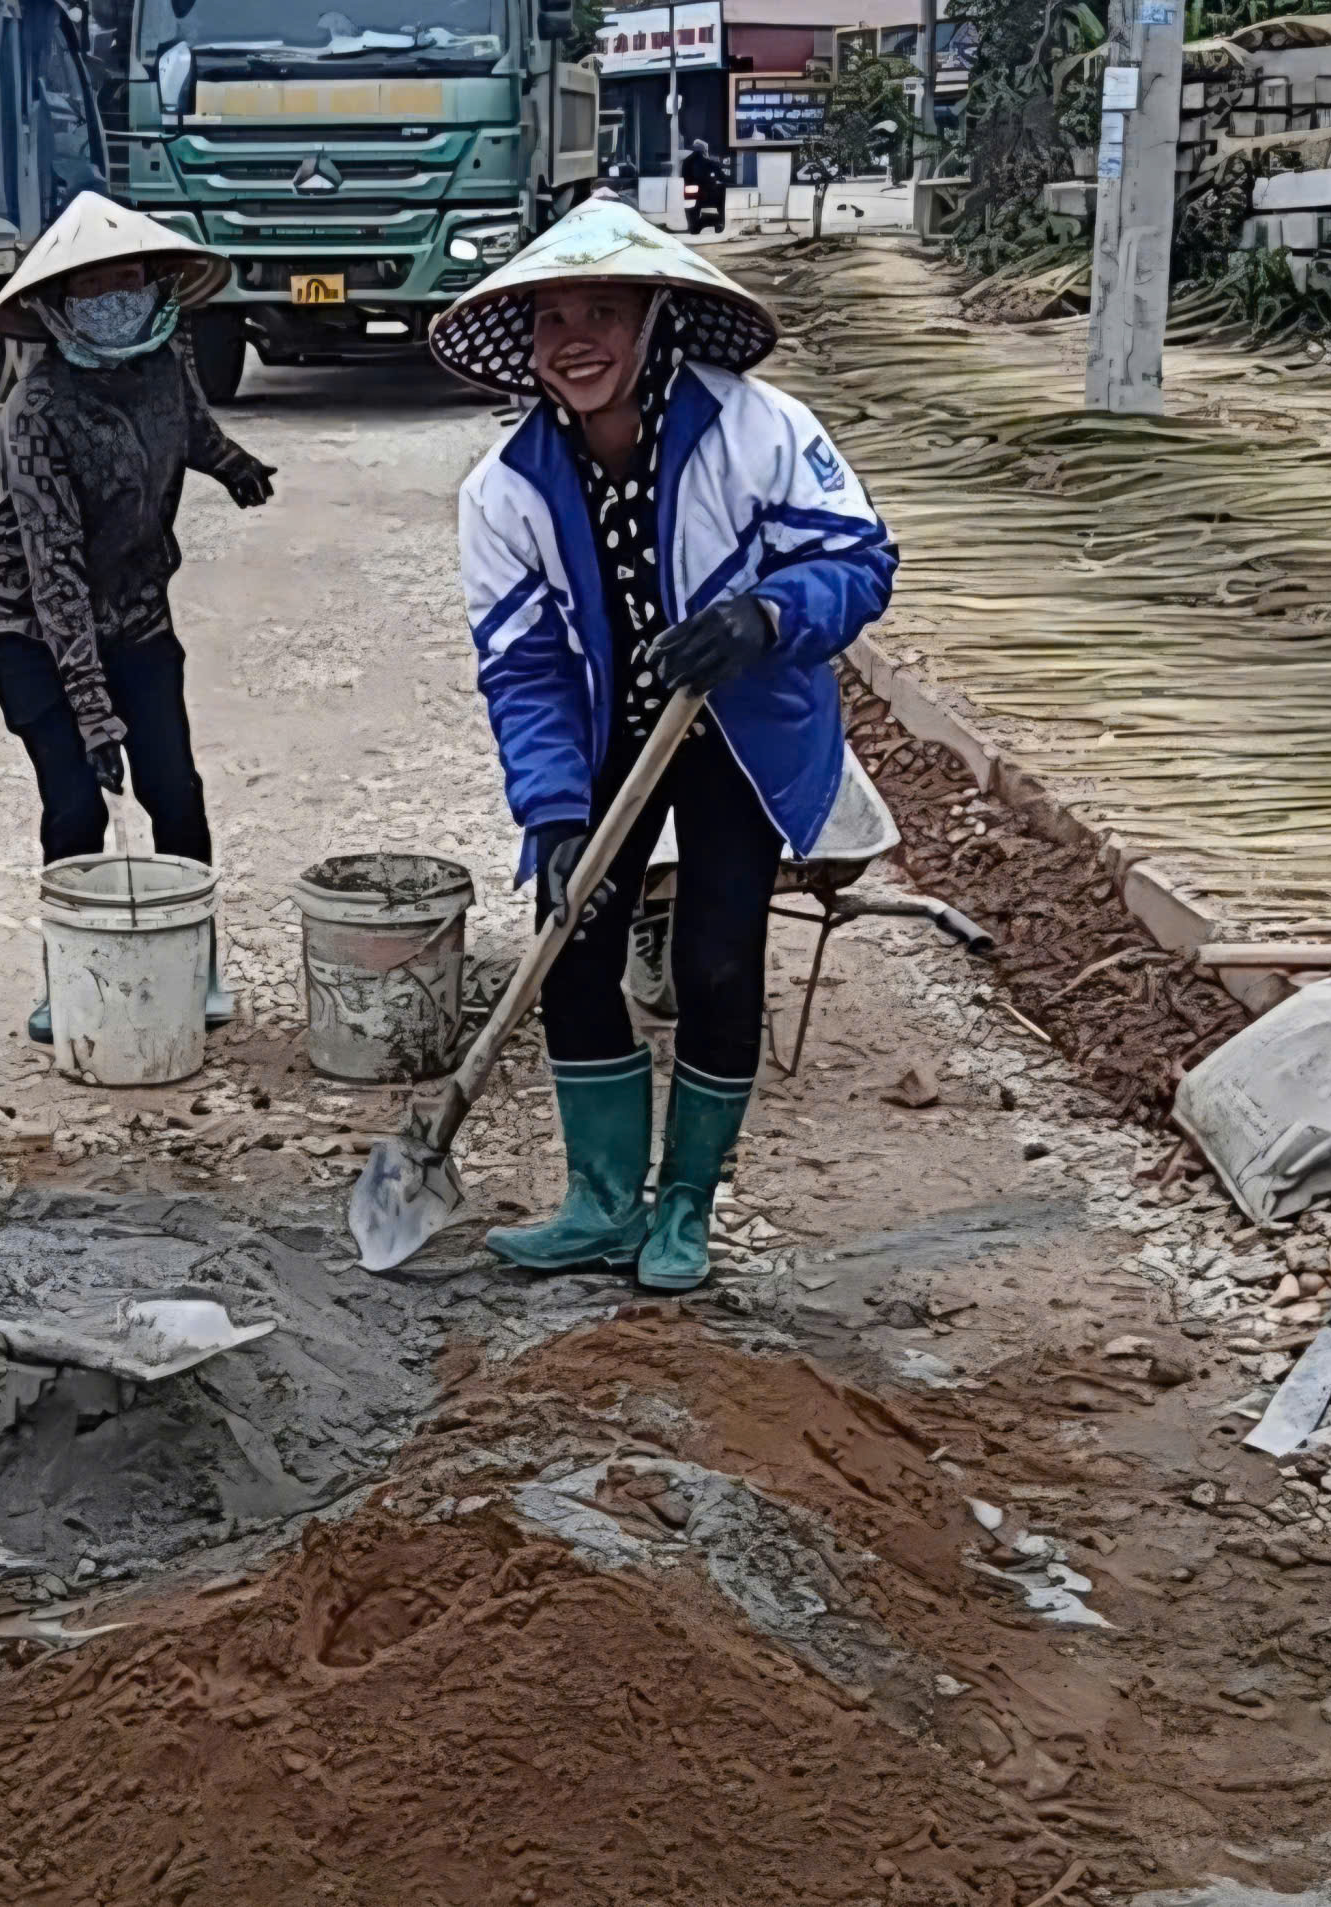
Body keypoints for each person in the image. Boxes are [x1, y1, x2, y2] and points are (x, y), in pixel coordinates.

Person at [429, 200, 896, 1292]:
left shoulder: (757, 429)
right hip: (609, 730)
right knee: (572, 944)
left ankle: (683, 1203)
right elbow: (527, 667)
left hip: (735, 721)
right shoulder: (503, 490)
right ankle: (599, 1200)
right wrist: (551, 814)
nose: (574, 340)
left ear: (654, 324)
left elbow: (858, 561)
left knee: (714, 959)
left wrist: (765, 617)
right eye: (550, 320)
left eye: (603, 311)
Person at [0, 191, 277, 1043]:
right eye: (91, 288)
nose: (113, 299)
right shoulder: (35, 414)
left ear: (156, 286)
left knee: (175, 791)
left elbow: (190, 428)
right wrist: (90, 707)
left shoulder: (166, 361)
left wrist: (234, 466)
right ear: (58, 307)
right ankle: (68, 978)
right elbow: (54, 571)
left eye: (128, 281)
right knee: (75, 805)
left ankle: (196, 962)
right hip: (35, 631)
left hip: (140, 616)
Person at [683, 139, 731, 234]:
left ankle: (693, 225)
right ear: (704, 150)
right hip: (706, 195)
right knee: (722, 193)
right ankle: (721, 222)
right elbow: (722, 176)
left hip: (689, 194)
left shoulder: (686, 161)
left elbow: (685, 176)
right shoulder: (708, 162)